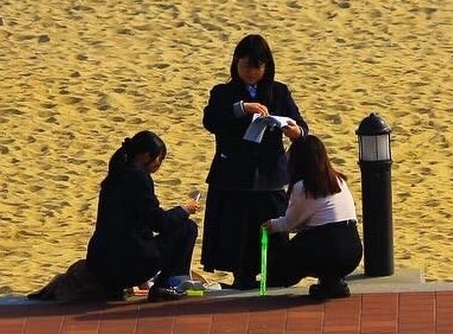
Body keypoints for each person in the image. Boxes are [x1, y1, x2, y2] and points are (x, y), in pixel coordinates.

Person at [31, 130, 199, 304]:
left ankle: (117, 288)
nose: (158, 164)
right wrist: (184, 209)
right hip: (127, 266)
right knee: (187, 228)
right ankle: (164, 286)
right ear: (145, 156)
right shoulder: (138, 178)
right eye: (159, 159)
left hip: (99, 264)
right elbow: (159, 222)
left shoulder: (116, 174)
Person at [201, 33, 307, 290]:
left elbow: (301, 126)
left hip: (269, 173)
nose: (251, 72)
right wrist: (242, 108)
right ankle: (242, 276)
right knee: (236, 230)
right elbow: (210, 121)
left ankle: (274, 273)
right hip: (233, 173)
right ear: (236, 64)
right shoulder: (223, 92)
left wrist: (295, 132)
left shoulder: (278, 91)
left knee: (272, 226)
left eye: (256, 67)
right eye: (245, 66)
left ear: (266, 67)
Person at [264, 134, 362, 300]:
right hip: (353, 250)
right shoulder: (337, 180)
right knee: (317, 241)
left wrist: (270, 225)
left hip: (329, 250)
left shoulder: (303, 187)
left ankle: (325, 281)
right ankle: (332, 282)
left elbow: (290, 223)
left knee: (285, 262)